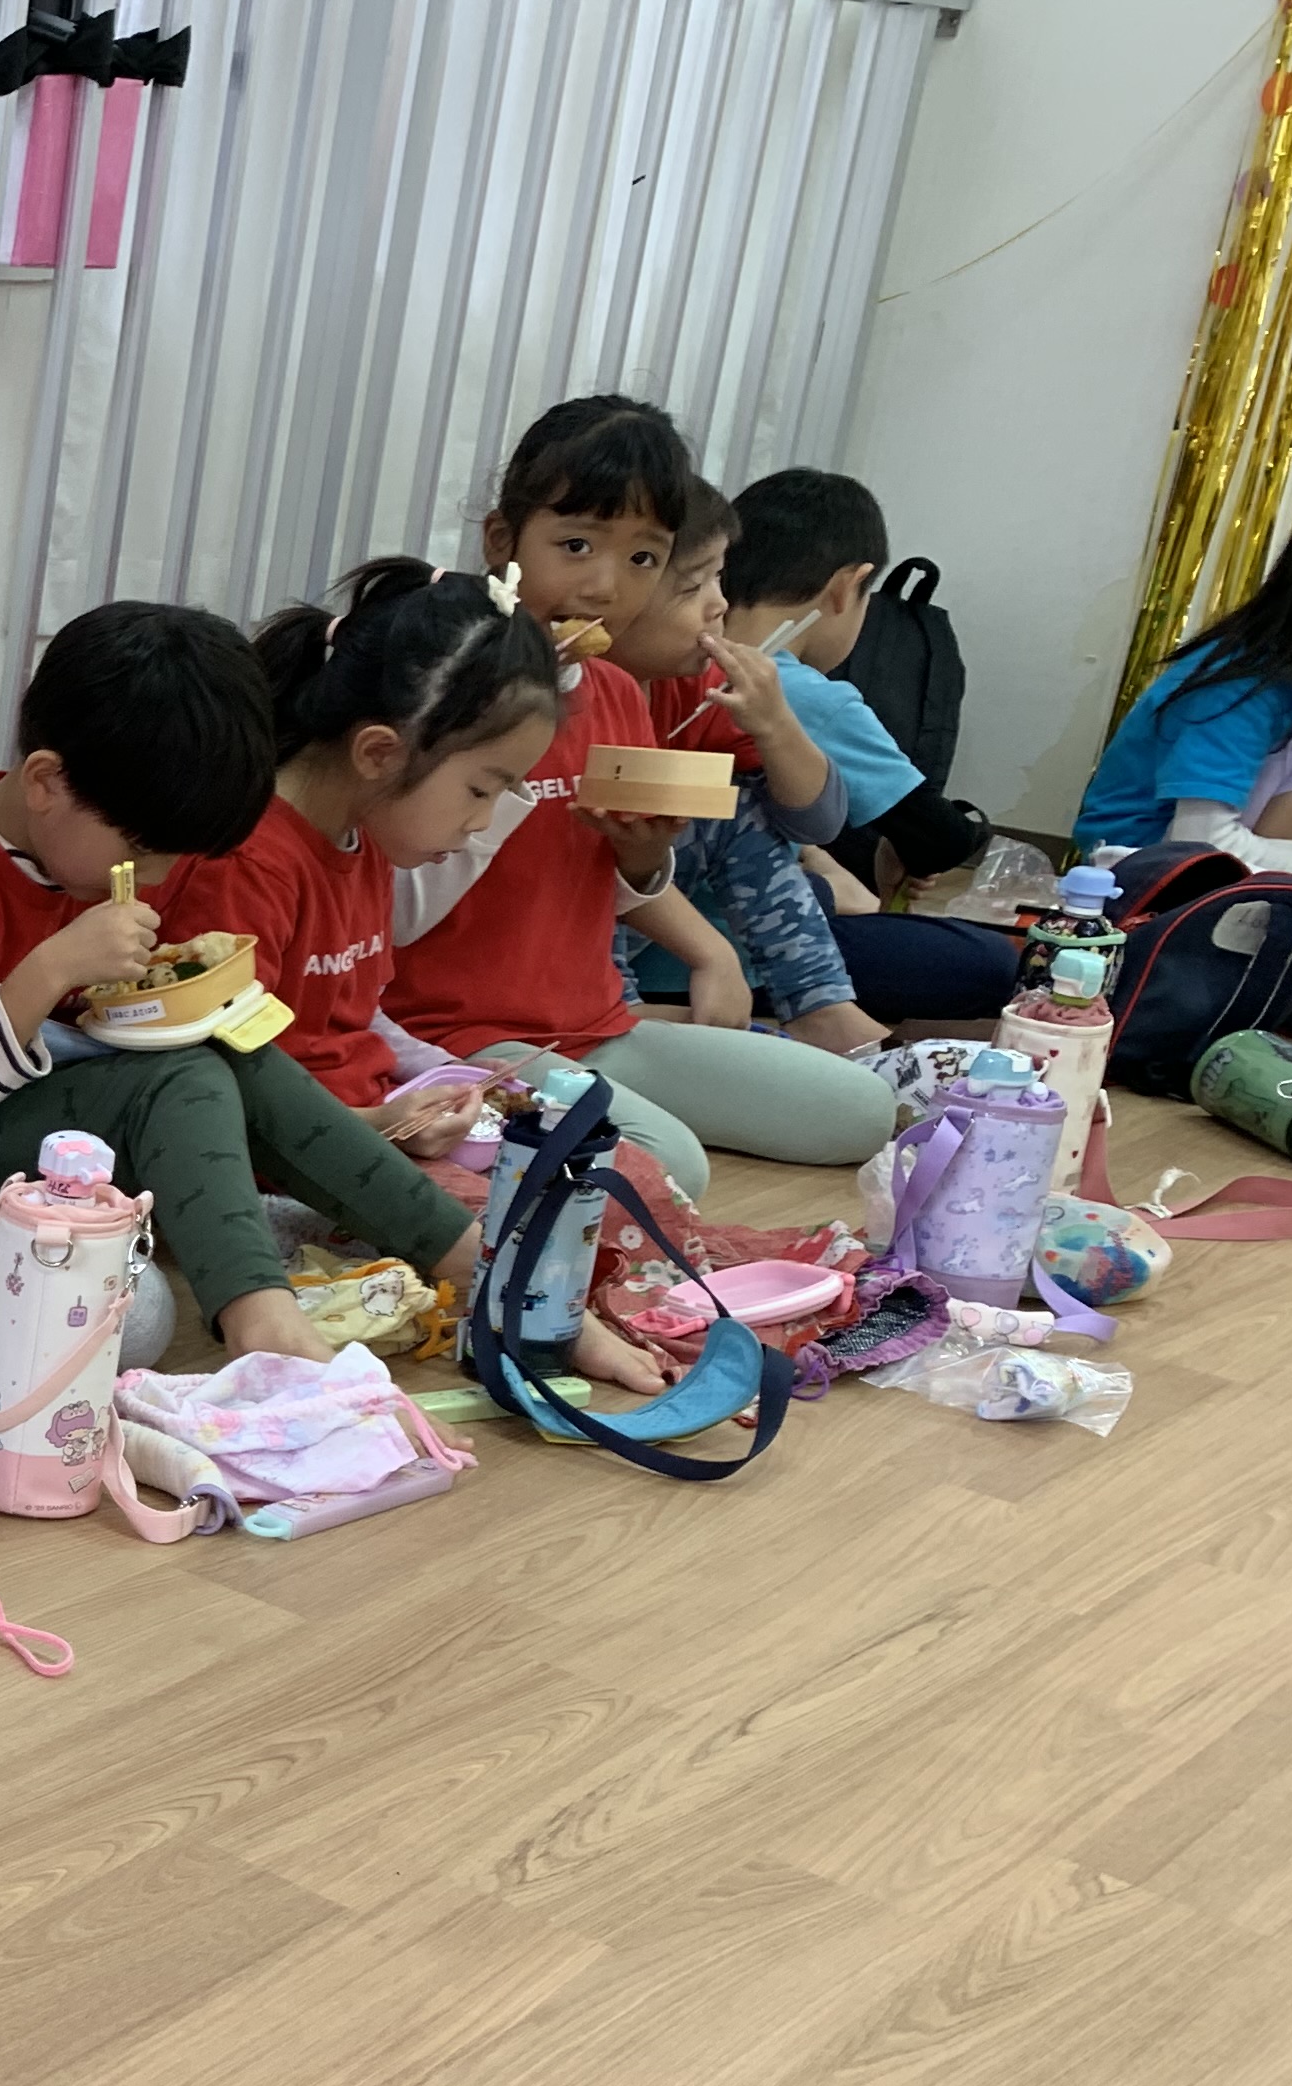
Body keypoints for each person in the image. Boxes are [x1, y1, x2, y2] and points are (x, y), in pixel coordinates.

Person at [0, 600, 477, 1365]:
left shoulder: (96, 845)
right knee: (185, 1076)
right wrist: (51, 969)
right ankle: (261, 1319)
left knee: (231, 1054)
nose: (157, 879)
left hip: (72, 1124)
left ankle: (466, 1255)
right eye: (148, 854)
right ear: (47, 782)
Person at [386, 395, 893, 1180]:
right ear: (502, 540)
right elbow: (391, 901)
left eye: (643, 561)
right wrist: (508, 770)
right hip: (458, 1034)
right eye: (576, 545)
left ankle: (572, 1115)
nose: (604, 585)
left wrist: (647, 864)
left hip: (597, 1023)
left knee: (861, 1110)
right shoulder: (443, 684)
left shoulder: (616, 691)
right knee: (667, 1168)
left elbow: (620, 871)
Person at [191, 560, 663, 1392]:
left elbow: (357, 1013)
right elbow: (234, 1096)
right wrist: (382, 1126)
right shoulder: (250, 864)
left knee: (628, 1177)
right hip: (300, 1173)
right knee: (569, 1221)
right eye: (483, 789)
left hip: (380, 1142)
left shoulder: (363, 836)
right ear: (380, 752)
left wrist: (447, 1081)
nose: (485, 823)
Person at [633, 468, 1017, 1042]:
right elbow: (938, 838)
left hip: (714, 929)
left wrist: (778, 728)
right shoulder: (788, 690)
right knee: (989, 962)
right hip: (682, 946)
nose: (719, 607)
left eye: (718, 580)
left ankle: (821, 1011)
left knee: (750, 821)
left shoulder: (719, 681)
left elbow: (807, 822)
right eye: (697, 585)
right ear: (847, 587)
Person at [1077, 460, 1292, 867]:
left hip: (1192, 857)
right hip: (1138, 868)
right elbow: (1201, 844)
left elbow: (1264, 783)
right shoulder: (1242, 686)